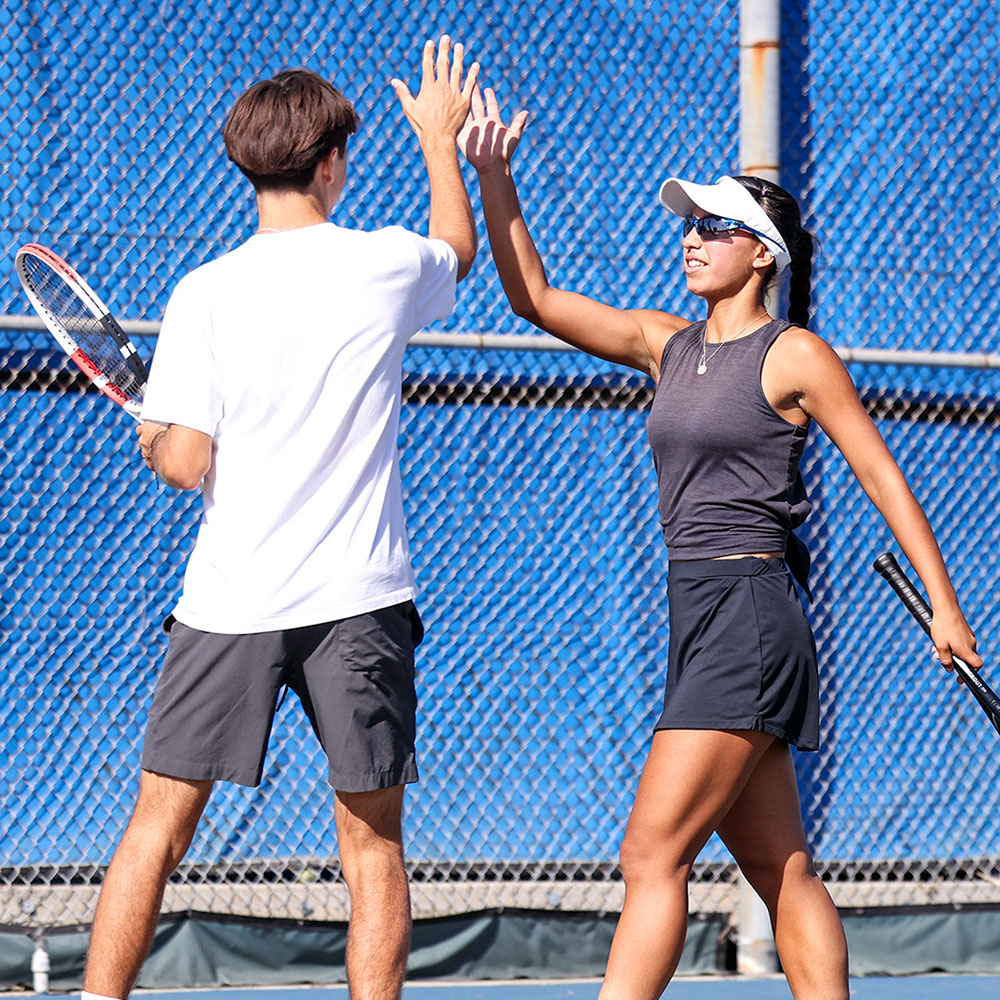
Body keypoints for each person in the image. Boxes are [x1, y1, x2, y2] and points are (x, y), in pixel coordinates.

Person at [457, 87, 982, 1000]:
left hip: (748, 615)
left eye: (715, 227)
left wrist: (946, 606)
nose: (691, 238)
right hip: (697, 613)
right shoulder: (668, 345)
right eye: (690, 224)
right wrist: (495, 178)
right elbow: (535, 297)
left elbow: (885, 479)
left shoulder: (795, 356)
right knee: (783, 869)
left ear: (763, 256)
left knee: (649, 856)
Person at [81, 38, 478, 1000]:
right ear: (332, 164)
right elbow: (458, 249)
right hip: (357, 603)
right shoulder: (386, 265)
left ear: (247, 165)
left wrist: (154, 437)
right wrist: (439, 141)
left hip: (231, 600)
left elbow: (183, 464)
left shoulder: (202, 294)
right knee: (372, 849)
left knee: (157, 828)